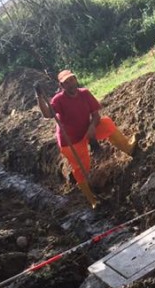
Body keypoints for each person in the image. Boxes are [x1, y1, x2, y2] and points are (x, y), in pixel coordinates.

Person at [35, 70, 137, 209]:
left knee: (106, 123)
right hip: (70, 140)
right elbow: (47, 114)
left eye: (71, 80)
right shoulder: (58, 100)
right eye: (66, 82)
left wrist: (91, 128)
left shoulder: (84, 93)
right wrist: (40, 97)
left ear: (75, 79)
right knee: (81, 168)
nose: (70, 84)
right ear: (62, 85)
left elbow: (96, 115)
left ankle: (128, 148)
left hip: (86, 130)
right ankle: (92, 199)